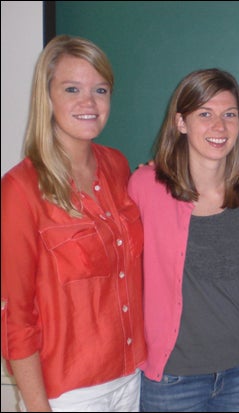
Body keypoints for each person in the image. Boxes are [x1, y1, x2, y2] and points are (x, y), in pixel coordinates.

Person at [1, 35, 146, 412]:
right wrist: (37, 406)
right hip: (69, 393)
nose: (89, 102)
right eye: (72, 89)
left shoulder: (117, 165)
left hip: (132, 376)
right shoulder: (20, 189)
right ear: (47, 97)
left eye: (100, 89)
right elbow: (16, 315)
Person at [128, 68, 239, 412]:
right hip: (174, 378)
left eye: (229, 115)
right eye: (205, 114)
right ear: (181, 122)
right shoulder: (146, 186)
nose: (219, 126)